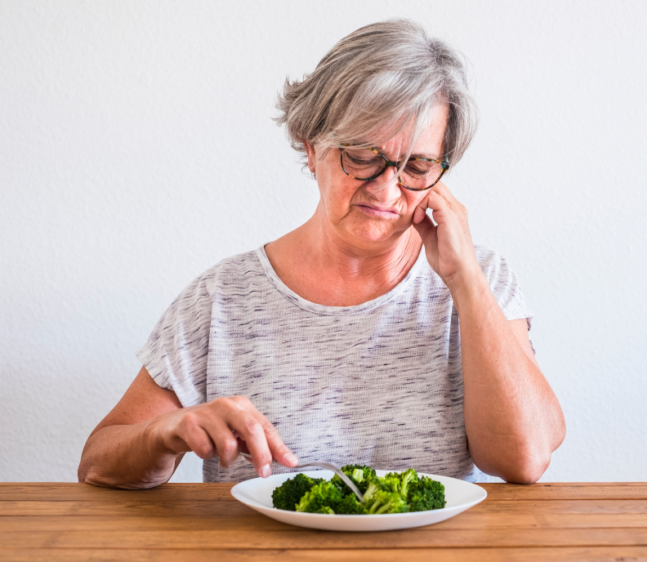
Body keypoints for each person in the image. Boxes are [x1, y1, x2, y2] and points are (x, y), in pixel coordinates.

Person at [78, 19, 565, 488]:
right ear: (311, 148)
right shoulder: (224, 297)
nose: (388, 189)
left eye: (416, 165)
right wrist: (167, 431)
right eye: (362, 156)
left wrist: (466, 283)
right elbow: (99, 461)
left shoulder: (482, 279)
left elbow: (523, 459)